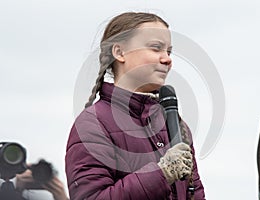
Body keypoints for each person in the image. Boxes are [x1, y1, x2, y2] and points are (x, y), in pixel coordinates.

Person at [65, 12, 205, 200]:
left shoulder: (177, 126)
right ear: (120, 52)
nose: (167, 59)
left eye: (169, 52)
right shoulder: (92, 124)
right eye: (156, 48)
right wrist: (161, 174)